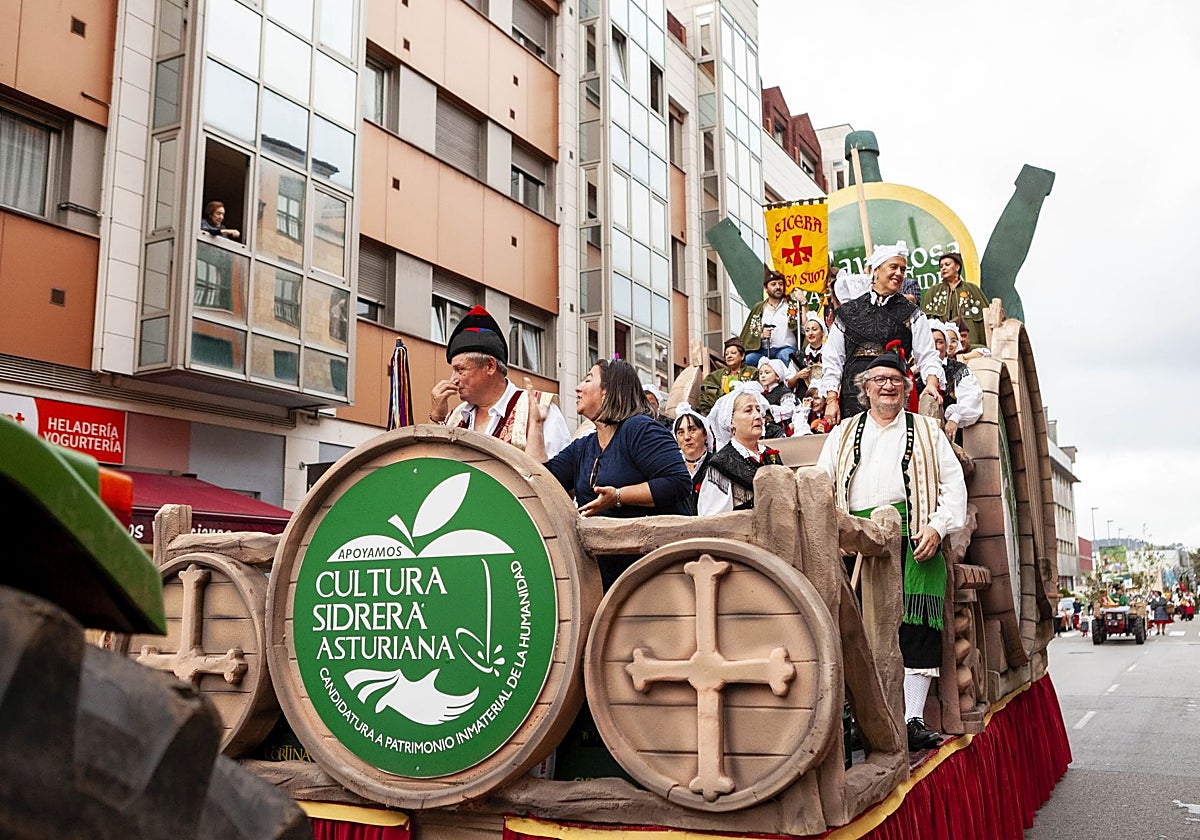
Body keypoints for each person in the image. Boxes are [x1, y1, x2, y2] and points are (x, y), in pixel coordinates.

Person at [817, 350, 967, 752]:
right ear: (865, 389)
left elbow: (955, 489)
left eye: (895, 380)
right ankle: (858, 720)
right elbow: (821, 484)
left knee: (916, 627)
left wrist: (937, 526)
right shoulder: (843, 433)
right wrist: (839, 532)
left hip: (916, 536)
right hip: (858, 542)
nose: (888, 385)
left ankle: (911, 719)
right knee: (858, 630)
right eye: (879, 379)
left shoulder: (929, 432)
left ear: (906, 387)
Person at [527, 359, 692, 589]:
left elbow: (678, 482)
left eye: (588, 379)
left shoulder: (639, 429)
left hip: (655, 576)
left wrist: (618, 496)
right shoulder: (583, 447)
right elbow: (538, 480)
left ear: (607, 391)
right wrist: (535, 424)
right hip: (602, 577)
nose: (578, 387)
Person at [818, 241, 944, 425]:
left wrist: (932, 383)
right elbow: (833, 360)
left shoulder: (912, 313)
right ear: (876, 270)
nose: (899, 273)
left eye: (903, 269)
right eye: (893, 267)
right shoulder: (848, 311)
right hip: (852, 395)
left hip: (893, 393)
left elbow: (928, 356)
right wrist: (831, 400)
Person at [429, 305, 571, 457]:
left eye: (460, 370)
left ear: (490, 366)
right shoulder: (455, 417)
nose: (453, 379)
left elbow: (557, 476)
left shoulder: (538, 408)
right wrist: (437, 418)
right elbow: (435, 468)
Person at [697, 383, 784, 514]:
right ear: (731, 421)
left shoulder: (769, 454)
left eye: (758, 410)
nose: (757, 416)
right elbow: (713, 520)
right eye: (748, 410)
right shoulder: (721, 464)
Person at [920, 252, 989, 349]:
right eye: (941, 266)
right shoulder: (933, 292)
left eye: (947, 264)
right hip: (941, 348)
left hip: (970, 346)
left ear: (957, 267)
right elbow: (925, 323)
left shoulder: (972, 289)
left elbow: (987, 319)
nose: (943, 268)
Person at [931, 321, 983, 441]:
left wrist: (954, 418)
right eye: (930, 342)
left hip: (947, 438)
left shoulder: (958, 370)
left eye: (940, 342)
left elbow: (972, 396)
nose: (935, 347)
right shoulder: (912, 371)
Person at [741, 269, 802, 367]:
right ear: (766, 288)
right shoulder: (759, 308)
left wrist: (804, 304)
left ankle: (790, 381)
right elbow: (749, 334)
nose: (778, 287)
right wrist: (761, 335)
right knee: (749, 360)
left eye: (780, 284)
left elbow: (804, 328)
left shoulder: (792, 306)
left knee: (786, 355)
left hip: (785, 348)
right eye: (773, 284)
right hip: (762, 351)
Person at [672, 402, 715, 514]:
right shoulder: (673, 468)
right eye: (681, 433)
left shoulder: (716, 465)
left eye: (692, 430)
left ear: (705, 434)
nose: (687, 437)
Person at [698, 336, 757, 414]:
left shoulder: (753, 372)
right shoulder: (714, 376)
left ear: (742, 356)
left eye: (733, 353)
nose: (729, 356)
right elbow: (706, 398)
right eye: (726, 354)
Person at [787, 311, 826, 393]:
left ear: (822, 332)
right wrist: (798, 375)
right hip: (804, 396)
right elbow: (789, 383)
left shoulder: (830, 352)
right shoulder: (799, 355)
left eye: (814, 329)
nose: (810, 333)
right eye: (807, 330)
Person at [757, 358, 796, 438]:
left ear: (777, 376)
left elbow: (789, 410)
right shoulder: (761, 394)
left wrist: (771, 408)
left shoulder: (784, 392)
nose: (763, 376)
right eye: (760, 373)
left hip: (781, 428)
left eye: (767, 373)